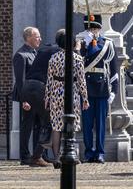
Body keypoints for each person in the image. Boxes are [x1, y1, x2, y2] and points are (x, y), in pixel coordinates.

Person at [78, 15, 119, 163]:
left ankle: (100, 152)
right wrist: (85, 46)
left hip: (102, 88)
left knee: (101, 124)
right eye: (90, 28)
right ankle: (89, 152)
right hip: (86, 89)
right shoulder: (82, 45)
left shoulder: (107, 44)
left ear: (100, 29)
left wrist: (114, 91)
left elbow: (114, 69)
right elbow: (77, 64)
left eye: (95, 28)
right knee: (87, 124)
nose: (93, 31)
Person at [46, 29, 89, 168]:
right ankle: (73, 155)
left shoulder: (53, 58)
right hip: (72, 92)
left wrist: (47, 97)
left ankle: (57, 157)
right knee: (72, 124)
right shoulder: (77, 58)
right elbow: (82, 80)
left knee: (56, 126)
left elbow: (49, 80)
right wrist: (85, 98)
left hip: (56, 93)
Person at [25, 33, 62, 167]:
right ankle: (38, 156)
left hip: (28, 86)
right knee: (51, 121)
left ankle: (40, 155)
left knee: (42, 122)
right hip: (40, 86)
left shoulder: (45, 49)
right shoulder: (60, 53)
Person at [12, 26, 43, 166]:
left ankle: (38, 156)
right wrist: (24, 99)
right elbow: (20, 80)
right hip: (28, 98)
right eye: (37, 36)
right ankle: (25, 156)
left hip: (38, 97)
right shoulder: (21, 55)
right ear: (29, 37)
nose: (40, 39)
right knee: (27, 127)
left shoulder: (35, 53)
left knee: (39, 125)